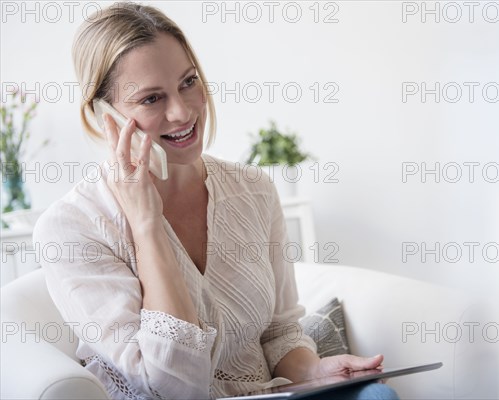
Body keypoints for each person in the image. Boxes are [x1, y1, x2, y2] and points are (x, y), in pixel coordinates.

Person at [33, 3, 399, 399]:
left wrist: (314, 370)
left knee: (377, 396)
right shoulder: (71, 228)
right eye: (152, 99)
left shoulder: (254, 189)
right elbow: (174, 388)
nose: (182, 111)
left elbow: (279, 334)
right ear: (105, 116)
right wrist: (147, 225)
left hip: (269, 394)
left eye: (188, 82)